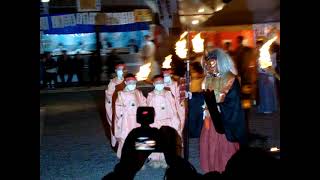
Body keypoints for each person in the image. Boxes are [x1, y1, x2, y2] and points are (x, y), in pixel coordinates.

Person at [200, 48, 247, 173]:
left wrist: (218, 106)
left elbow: (232, 101)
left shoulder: (230, 79)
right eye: (208, 64)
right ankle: (212, 168)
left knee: (225, 146)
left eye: (213, 64)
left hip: (224, 119)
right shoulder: (207, 79)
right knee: (209, 142)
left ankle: (227, 168)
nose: (210, 67)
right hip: (209, 117)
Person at [146, 75, 181, 168]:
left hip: (167, 121)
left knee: (168, 140)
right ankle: (154, 158)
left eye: (161, 83)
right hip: (156, 122)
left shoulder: (168, 93)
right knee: (155, 140)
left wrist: (175, 118)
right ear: (153, 84)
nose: (159, 85)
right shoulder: (150, 95)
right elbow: (149, 109)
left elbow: (173, 107)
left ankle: (167, 158)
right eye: (157, 83)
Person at [114, 74, 146, 158]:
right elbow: (118, 108)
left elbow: (144, 104)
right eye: (130, 82)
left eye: (134, 82)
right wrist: (122, 116)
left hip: (138, 119)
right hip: (127, 120)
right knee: (126, 136)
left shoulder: (138, 92)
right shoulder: (121, 94)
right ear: (125, 82)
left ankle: (141, 156)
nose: (132, 84)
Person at [105, 62, 126, 148]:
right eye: (119, 70)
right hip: (118, 109)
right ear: (116, 70)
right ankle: (120, 147)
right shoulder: (113, 82)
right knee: (118, 127)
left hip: (129, 111)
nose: (120, 71)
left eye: (122, 69)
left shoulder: (128, 81)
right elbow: (109, 96)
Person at [162, 68, 185, 136]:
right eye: (164, 75)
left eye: (167, 74)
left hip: (175, 110)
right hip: (164, 111)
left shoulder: (175, 84)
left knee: (177, 129)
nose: (166, 76)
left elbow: (179, 99)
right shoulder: (160, 84)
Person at [257, 42, 278, 114]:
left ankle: (267, 108)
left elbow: (269, 67)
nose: (258, 48)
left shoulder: (267, 55)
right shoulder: (268, 55)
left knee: (266, 93)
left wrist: (267, 75)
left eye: (259, 46)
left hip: (266, 75)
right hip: (266, 75)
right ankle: (270, 107)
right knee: (268, 92)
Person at [189, 62, 205, 138]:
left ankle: (198, 134)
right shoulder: (192, 77)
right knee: (193, 116)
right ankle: (194, 134)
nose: (191, 70)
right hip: (192, 96)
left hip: (199, 96)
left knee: (199, 115)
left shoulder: (201, 76)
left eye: (192, 69)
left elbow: (200, 76)